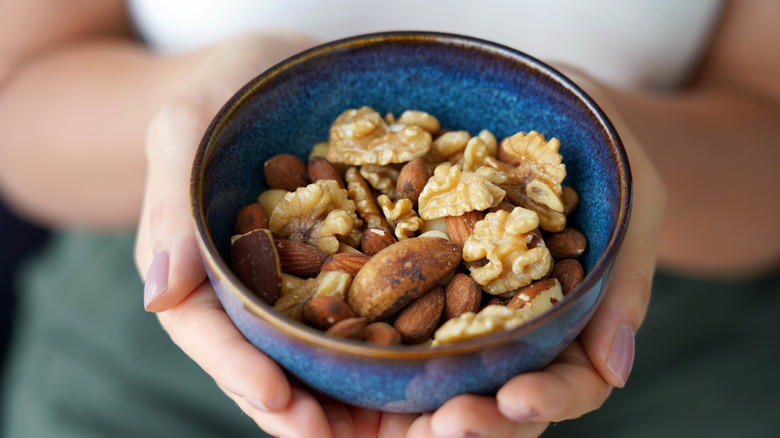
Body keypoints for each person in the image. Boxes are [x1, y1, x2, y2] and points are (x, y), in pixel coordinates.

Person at [0, 1, 777, 437]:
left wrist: (610, 140)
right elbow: (18, 102)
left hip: (663, 326)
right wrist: (200, 108)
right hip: (163, 322)